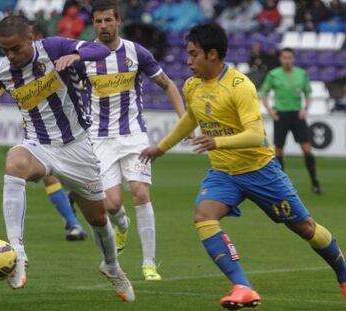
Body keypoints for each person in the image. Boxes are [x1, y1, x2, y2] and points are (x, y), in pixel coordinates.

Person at [140, 23, 346, 309]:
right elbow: (191, 118)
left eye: (193, 54)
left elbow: (256, 135)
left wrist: (217, 142)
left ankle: (343, 274)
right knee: (204, 215)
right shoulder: (192, 85)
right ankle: (243, 286)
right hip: (224, 173)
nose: (188, 61)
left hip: (261, 171)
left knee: (306, 228)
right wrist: (161, 148)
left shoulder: (241, 86)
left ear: (212, 55)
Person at [0, 15, 134, 301]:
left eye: (16, 48)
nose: (11, 55)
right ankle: (17, 253)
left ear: (30, 39)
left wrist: (75, 55)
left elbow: (102, 50)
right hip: (37, 145)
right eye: (5, 49)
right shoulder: (2, 69)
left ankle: (111, 266)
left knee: (97, 217)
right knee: (14, 162)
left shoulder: (54, 47)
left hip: (77, 147)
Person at [83, 0, 185, 281]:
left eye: (108, 20)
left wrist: (184, 120)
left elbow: (168, 84)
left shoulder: (136, 52)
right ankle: (121, 224)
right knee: (111, 204)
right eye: (98, 22)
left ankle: (149, 264)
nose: (103, 26)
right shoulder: (84, 56)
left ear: (118, 21)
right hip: (99, 140)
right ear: (94, 24)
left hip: (133, 135)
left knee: (140, 192)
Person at [0, 20, 88, 241]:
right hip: (37, 130)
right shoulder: (16, 65)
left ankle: (77, 200)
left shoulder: (53, 57)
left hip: (72, 130)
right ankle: (73, 224)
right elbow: (5, 81)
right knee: (49, 177)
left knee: (85, 185)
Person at [260, 47, 321, 194]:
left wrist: (305, 108)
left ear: (293, 59)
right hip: (281, 115)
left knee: (307, 149)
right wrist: (270, 110)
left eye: (289, 57)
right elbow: (264, 93)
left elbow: (308, 93)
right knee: (279, 150)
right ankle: (281, 184)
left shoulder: (301, 74)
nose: (287, 60)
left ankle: (315, 182)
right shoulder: (274, 75)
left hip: (297, 115)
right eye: (284, 57)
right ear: (281, 59)